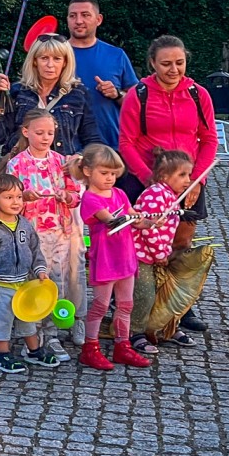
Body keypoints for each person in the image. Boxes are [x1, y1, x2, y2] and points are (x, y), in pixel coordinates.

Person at [117, 35, 218, 335]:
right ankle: (134, 301)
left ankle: (179, 304)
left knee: (181, 243)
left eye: (179, 63)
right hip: (146, 179)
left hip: (187, 182)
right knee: (139, 244)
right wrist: (148, 178)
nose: (174, 69)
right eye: (166, 64)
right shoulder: (139, 94)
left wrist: (196, 179)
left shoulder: (199, 94)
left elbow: (210, 138)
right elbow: (127, 141)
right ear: (152, 64)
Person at [6, 108, 84, 359]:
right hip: (30, 234)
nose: (45, 137)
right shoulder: (16, 164)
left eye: (50, 133)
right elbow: (7, 200)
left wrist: (67, 196)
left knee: (56, 284)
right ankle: (31, 335)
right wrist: (23, 198)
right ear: (26, 132)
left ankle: (51, 335)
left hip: (59, 232)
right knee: (32, 282)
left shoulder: (62, 162)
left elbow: (76, 198)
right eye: (39, 132)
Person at [72, 144, 150, 371]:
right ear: (87, 171)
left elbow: (136, 219)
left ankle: (122, 345)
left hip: (125, 257)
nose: (110, 178)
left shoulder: (120, 194)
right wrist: (131, 217)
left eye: (113, 174)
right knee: (100, 305)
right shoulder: (90, 198)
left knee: (126, 304)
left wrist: (150, 220)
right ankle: (90, 348)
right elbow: (111, 220)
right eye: (104, 173)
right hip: (105, 260)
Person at [0, 173, 54, 373]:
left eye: (18, 197)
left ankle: (33, 350)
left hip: (25, 284)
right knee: (1, 319)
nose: (15, 202)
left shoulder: (25, 224)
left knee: (28, 318)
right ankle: (2, 355)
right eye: (8, 197)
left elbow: (35, 249)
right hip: (0, 285)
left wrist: (40, 270)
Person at [129, 149, 200, 354]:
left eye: (189, 174)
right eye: (182, 175)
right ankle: (136, 332)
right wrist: (160, 255)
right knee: (145, 294)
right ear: (163, 176)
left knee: (164, 293)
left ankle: (165, 328)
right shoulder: (155, 194)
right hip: (141, 255)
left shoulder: (170, 195)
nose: (188, 180)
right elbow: (150, 229)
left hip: (157, 254)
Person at [0, 34, 101, 157]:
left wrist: (79, 156)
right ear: (34, 61)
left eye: (57, 59)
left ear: (65, 62)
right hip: (21, 172)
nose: (50, 64)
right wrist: (0, 99)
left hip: (63, 171)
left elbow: (93, 140)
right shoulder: (18, 91)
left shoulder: (78, 93)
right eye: (44, 58)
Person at [66, 0, 138, 149]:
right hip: (65, 149)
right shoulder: (55, 57)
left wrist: (116, 94)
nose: (78, 21)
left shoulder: (116, 55)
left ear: (98, 19)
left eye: (85, 15)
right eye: (73, 16)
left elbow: (137, 104)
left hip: (111, 147)